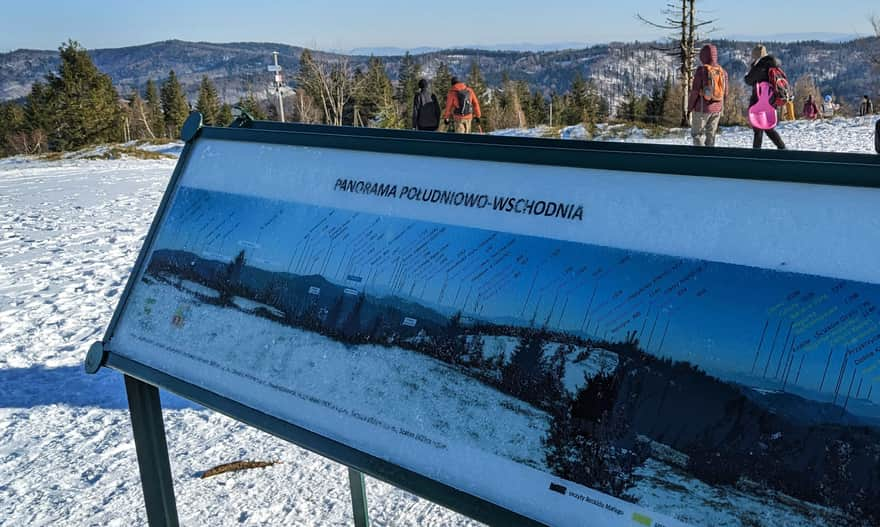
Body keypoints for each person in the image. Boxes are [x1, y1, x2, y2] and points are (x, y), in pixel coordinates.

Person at [744, 44, 786, 149]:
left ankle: (756, 154)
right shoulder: (773, 65)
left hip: (759, 101)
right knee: (768, 128)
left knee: (758, 128)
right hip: (771, 101)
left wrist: (751, 69)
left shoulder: (760, 66)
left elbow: (748, 80)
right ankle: (782, 148)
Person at [687, 43, 728, 147]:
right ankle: (709, 157)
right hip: (717, 109)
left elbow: (695, 91)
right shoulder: (723, 71)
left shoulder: (701, 70)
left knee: (697, 134)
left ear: (703, 56)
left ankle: (700, 158)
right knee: (711, 135)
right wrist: (721, 107)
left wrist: (690, 107)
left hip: (702, 109)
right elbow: (726, 93)